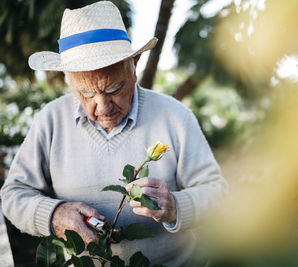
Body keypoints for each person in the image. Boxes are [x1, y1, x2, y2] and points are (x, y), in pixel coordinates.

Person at [0, 1, 228, 266]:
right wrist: (53, 215)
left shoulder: (175, 116)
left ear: (134, 65)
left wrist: (176, 206)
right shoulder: (49, 121)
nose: (102, 106)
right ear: (68, 79)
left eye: (114, 88)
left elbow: (216, 191)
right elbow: (13, 194)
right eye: (86, 93)